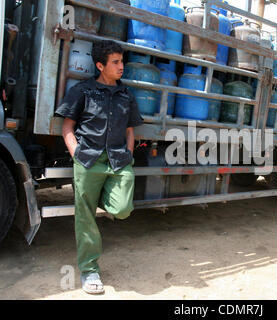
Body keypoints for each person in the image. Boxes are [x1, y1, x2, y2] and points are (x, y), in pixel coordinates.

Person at [55, 40, 143, 294]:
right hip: (88, 160)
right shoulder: (83, 91)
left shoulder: (126, 95)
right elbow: (67, 127)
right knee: (85, 215)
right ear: (100, 65)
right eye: (115, 62)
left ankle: (101, 196)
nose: (121, 67)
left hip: (117, 160)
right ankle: (89, 269)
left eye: (122, 61)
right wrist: (76, 154)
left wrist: (128, 153)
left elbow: (130, 130)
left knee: (123, 208)